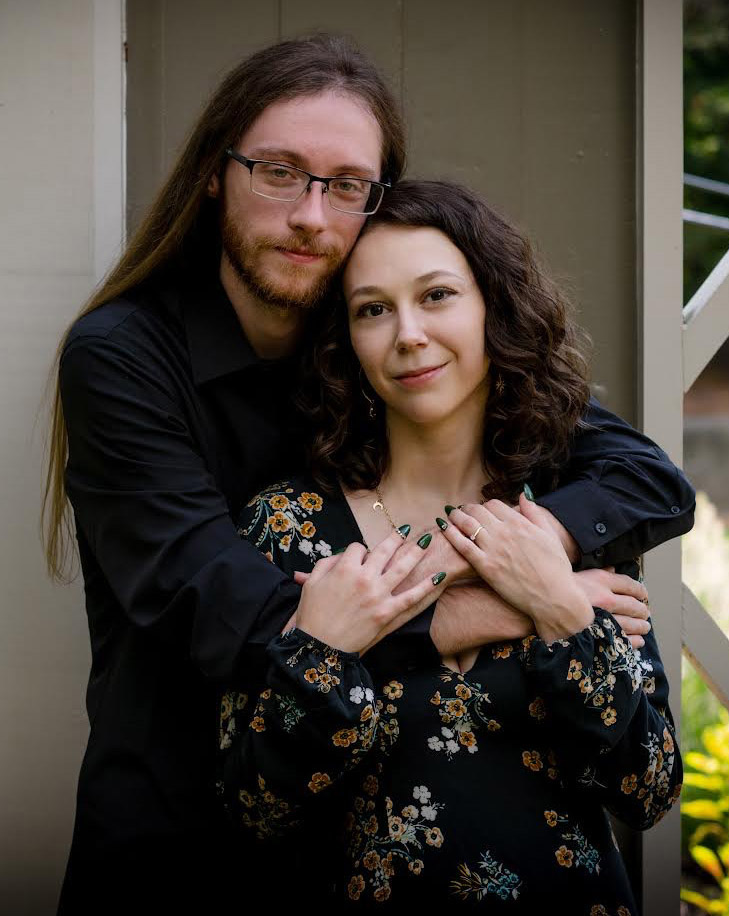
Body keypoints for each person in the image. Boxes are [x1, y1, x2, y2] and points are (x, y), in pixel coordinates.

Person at [45, 34, 691, 914]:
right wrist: (495, 605)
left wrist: (549, 573)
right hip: (174, 841)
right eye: (278, 171)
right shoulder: (127, 359)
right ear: (212, 174)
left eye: (346, 185)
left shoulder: (373, 344)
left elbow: (647, 478)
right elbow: (230, 609)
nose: (313, 215)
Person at [220, 180, 683, 910]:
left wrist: (561, 613)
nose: (407, 333)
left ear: (494, 310)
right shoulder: (287, 526)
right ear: (347, 343)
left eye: (436, 295)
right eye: (374, 309)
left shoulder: (565, 521)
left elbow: (647, 790)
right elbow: (255, 810)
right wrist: (323, 656)